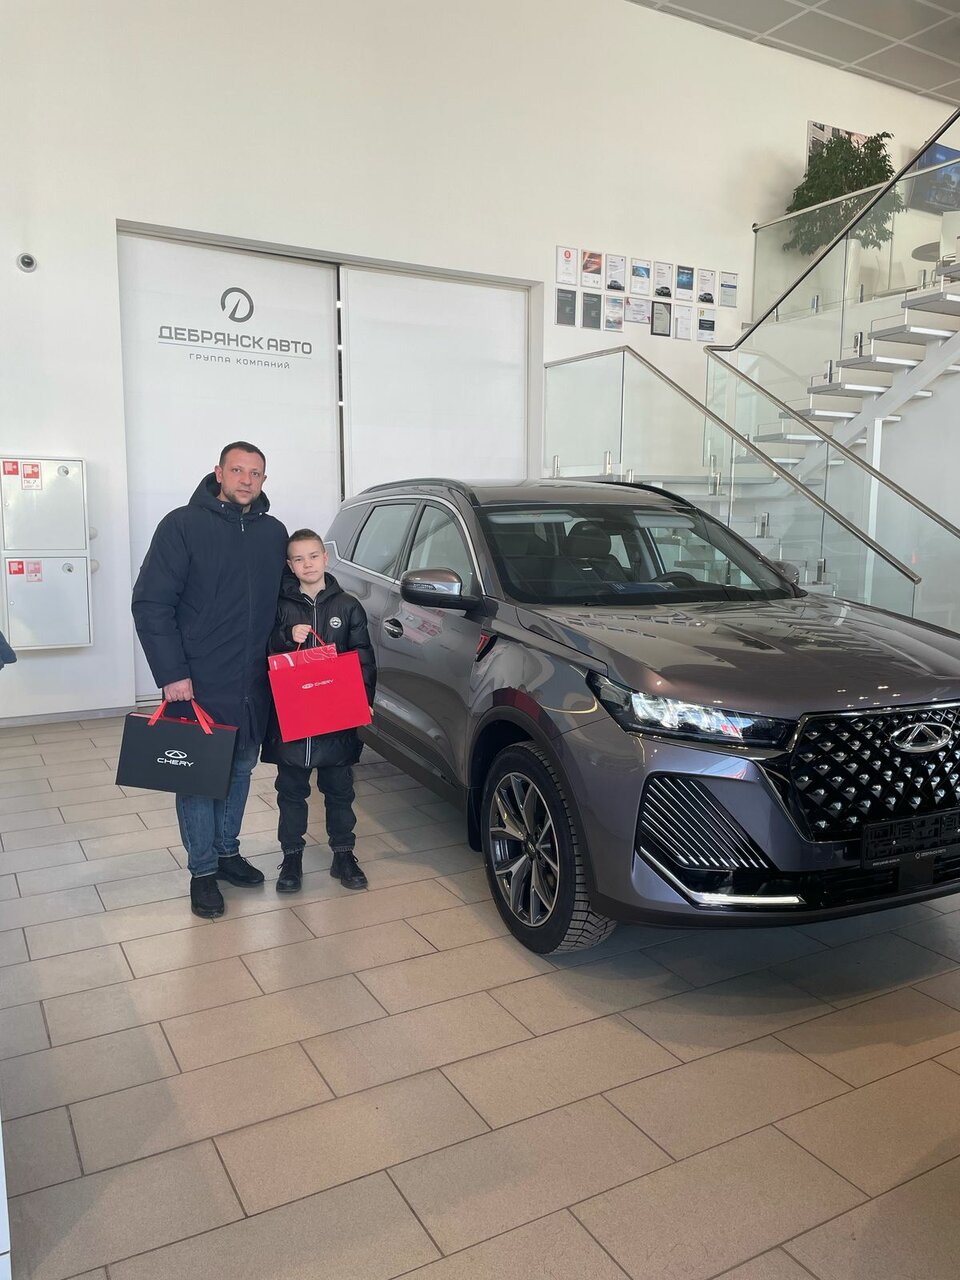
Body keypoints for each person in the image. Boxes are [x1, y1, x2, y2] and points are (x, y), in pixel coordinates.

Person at [132, 442, 288, 919]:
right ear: (218, 472)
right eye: (237, 470)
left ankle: (226, 852)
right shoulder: (182, 525)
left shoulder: (273, 533)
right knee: (199, 777)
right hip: (198, 680)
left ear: (264, 480)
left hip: (253, 681)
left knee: (240, 769)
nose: (246, 480)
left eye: (255, 473)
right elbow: (151, 603)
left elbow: (289, 596)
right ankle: (202, 871)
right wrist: (172, 673)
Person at [262, 529, 376, 893]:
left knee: (340, 790)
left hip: (335, 717)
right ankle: (291, 857)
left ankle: (343, 854)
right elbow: (263, 649)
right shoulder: (279, 606)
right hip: (292, 717)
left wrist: (363, 701)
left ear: (325, 558)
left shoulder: (348, 606)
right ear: (289, 565)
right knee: (291, 792)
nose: (307, 564)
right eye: (298, 559)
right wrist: (285, 636)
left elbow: (363, 656)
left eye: (313, 556)